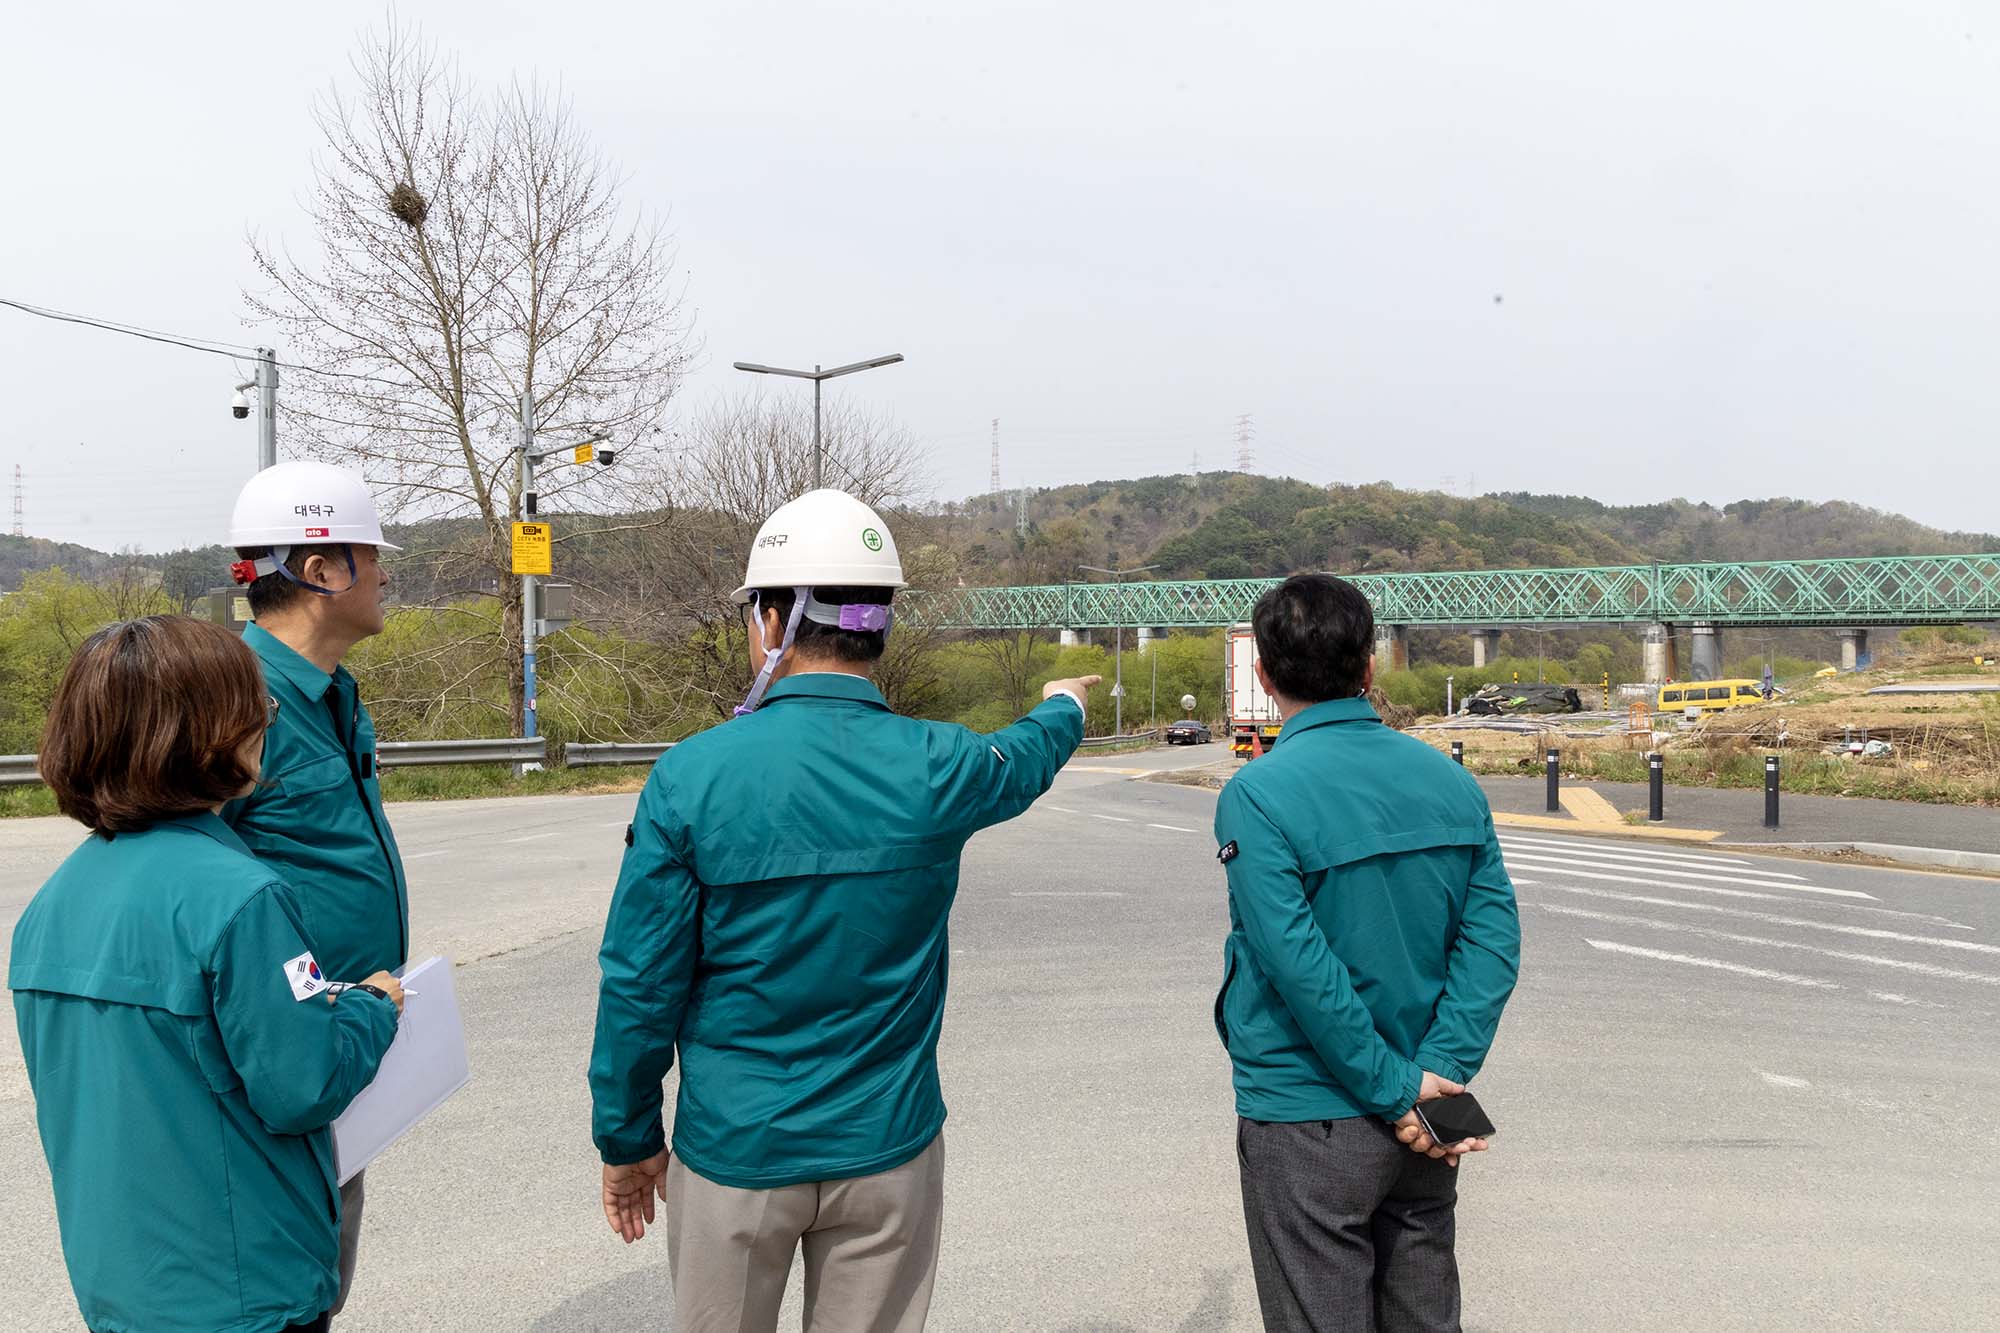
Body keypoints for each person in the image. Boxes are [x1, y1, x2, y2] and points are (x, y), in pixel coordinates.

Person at [588, 488, 1101, 1333]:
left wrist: (627, 1137)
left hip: (737, 1154)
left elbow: (640, 982)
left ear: (774, 618)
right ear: (880, 622)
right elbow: (1028, 753)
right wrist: (1067, 702)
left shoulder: (694, 775)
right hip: (888, 1151)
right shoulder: (943, 766)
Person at [9, 615, 405, 1333]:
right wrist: (375, 1007)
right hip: (244, 1289)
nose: (265, 722)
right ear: (208, 734)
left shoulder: (49, 907)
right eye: (258, 707)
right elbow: (303, 1084)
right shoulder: (244, 897)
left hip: (121, 1284)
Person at [1213, 574, 1520, 1333]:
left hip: (1311, 1111)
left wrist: (1392, 1086)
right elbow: (1494, 937)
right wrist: (1437, 1073)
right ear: (1370, 666)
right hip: (1427, 1106)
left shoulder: (1259, 793)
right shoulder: (1450, 781)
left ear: (1264, 673)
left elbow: (1299, 968)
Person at [221, 459, 409, 1317]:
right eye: (371, 557)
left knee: (320, 1276)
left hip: (337, 1048)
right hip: (277, 1065)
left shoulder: (330, 692)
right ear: (321, 570)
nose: (384, 575)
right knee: (281, 1285)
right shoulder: (234, 701)